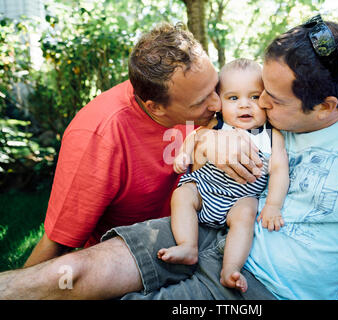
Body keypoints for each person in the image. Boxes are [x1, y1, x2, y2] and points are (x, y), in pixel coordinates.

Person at [0, 15, 338, 300]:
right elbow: (209, 121)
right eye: (258, 90)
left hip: (262, 281)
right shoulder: (269, 105)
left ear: (325, 105)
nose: (257, 105)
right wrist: (207, 143)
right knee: (68, 276)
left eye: (272, 99)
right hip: (199, 225)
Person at [22, 22, 225, 267]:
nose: (219, 104)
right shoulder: (97, 137)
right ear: (156, 108)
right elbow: (58, 242)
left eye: (216, 87)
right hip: (134, 253)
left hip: (206, 231)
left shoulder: (200, 93)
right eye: (202, 102)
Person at [157, 58, 289, 293]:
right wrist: (183, 155)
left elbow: (279, 170)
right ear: (220, 102)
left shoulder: (270, 135)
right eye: (233, 98)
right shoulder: (216, 126)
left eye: (254, 97)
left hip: (239, 199)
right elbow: (194, 137)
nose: (244, 105)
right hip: (204, 189)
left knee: (248, 212)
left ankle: (230, 268)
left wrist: (273, 206)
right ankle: (188, 245)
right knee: (182, 194)